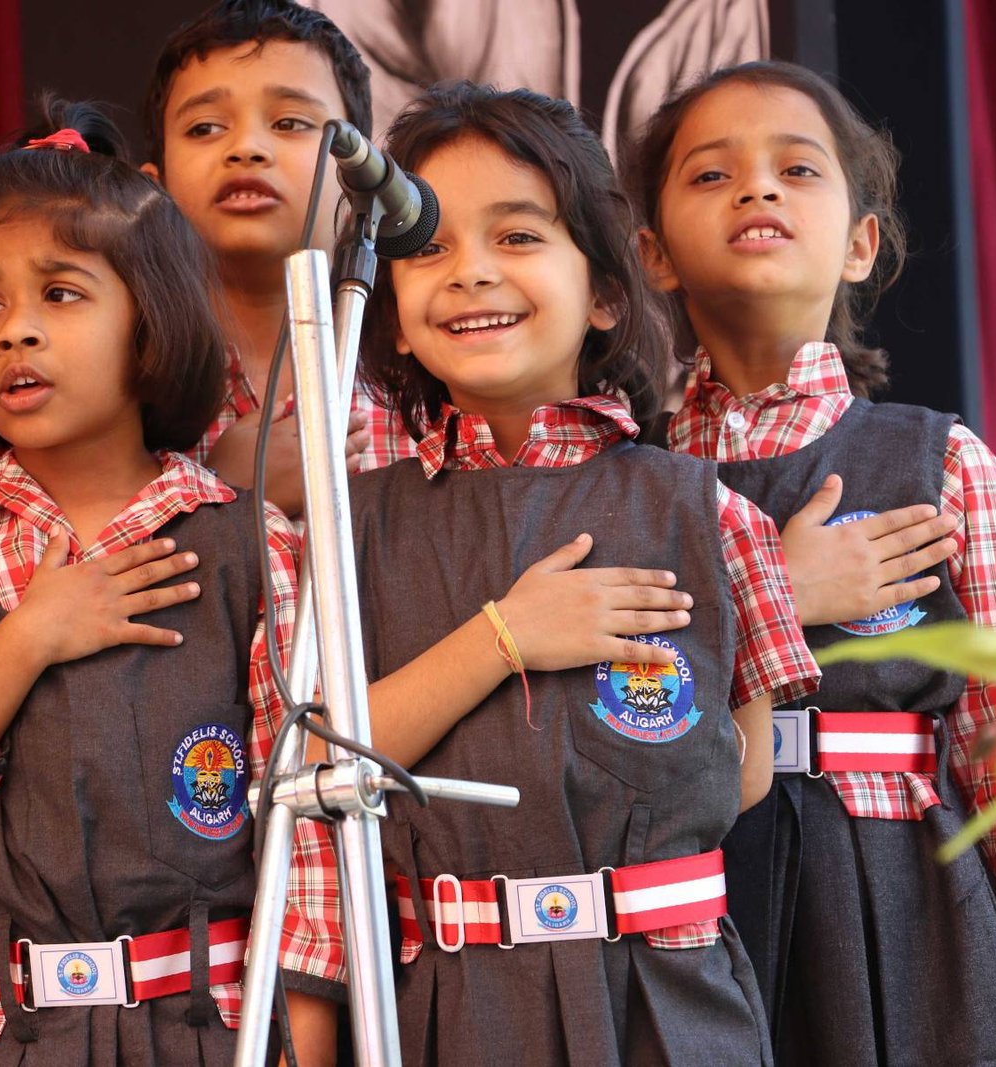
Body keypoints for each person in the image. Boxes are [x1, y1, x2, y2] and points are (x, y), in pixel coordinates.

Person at [0, 100, 342, 1064]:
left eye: (60, 294)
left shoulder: (250, 544)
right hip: (12, 1038)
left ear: (151, 319)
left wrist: (305, 1044)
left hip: (215, 1032)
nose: (15, 332)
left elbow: (310, 821)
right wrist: (25, 639)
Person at [350, 82, 820, 1065]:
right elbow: (330, 765)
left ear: (605, 291)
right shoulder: (353, 525)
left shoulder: (711, 512)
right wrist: (504, 639)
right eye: (428, 248)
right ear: (389, 313)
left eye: (518, 236)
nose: (472, 272)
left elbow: (742, 768)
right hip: (451, 1005)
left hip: (668, 996)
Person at [627, 59, 996, 1065]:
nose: (756, 189)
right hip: (690, 903)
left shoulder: (941, 463)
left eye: (796, 169)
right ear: (652, 254)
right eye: (711, 174)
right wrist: (776, 594)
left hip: (908, 905)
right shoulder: (618, 481)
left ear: (859, 245)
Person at [143, 0, 418, 516]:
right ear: (151, 191)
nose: (246, 148)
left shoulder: (423, 373)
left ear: (363, 176)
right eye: (205, 128)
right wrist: (221, 492)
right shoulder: (124, 389)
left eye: (290, 122)